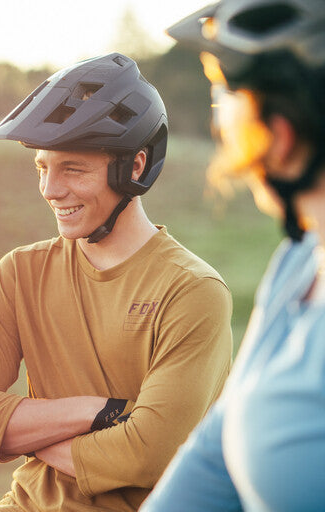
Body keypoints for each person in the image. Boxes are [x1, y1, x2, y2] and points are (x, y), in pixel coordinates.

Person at [0, 53, 233, 512]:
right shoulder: (20, 273)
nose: (50, 190)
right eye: (42, 167)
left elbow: (147, 456)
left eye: (71, 169)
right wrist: (102, 412)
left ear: (134, 167)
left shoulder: (192, 290)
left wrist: (24, 433)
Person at [140, 1, 325, 511]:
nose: (221, 126)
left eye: (227, 99)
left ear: (280, 135)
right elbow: (218, 447)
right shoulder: (300, 264)